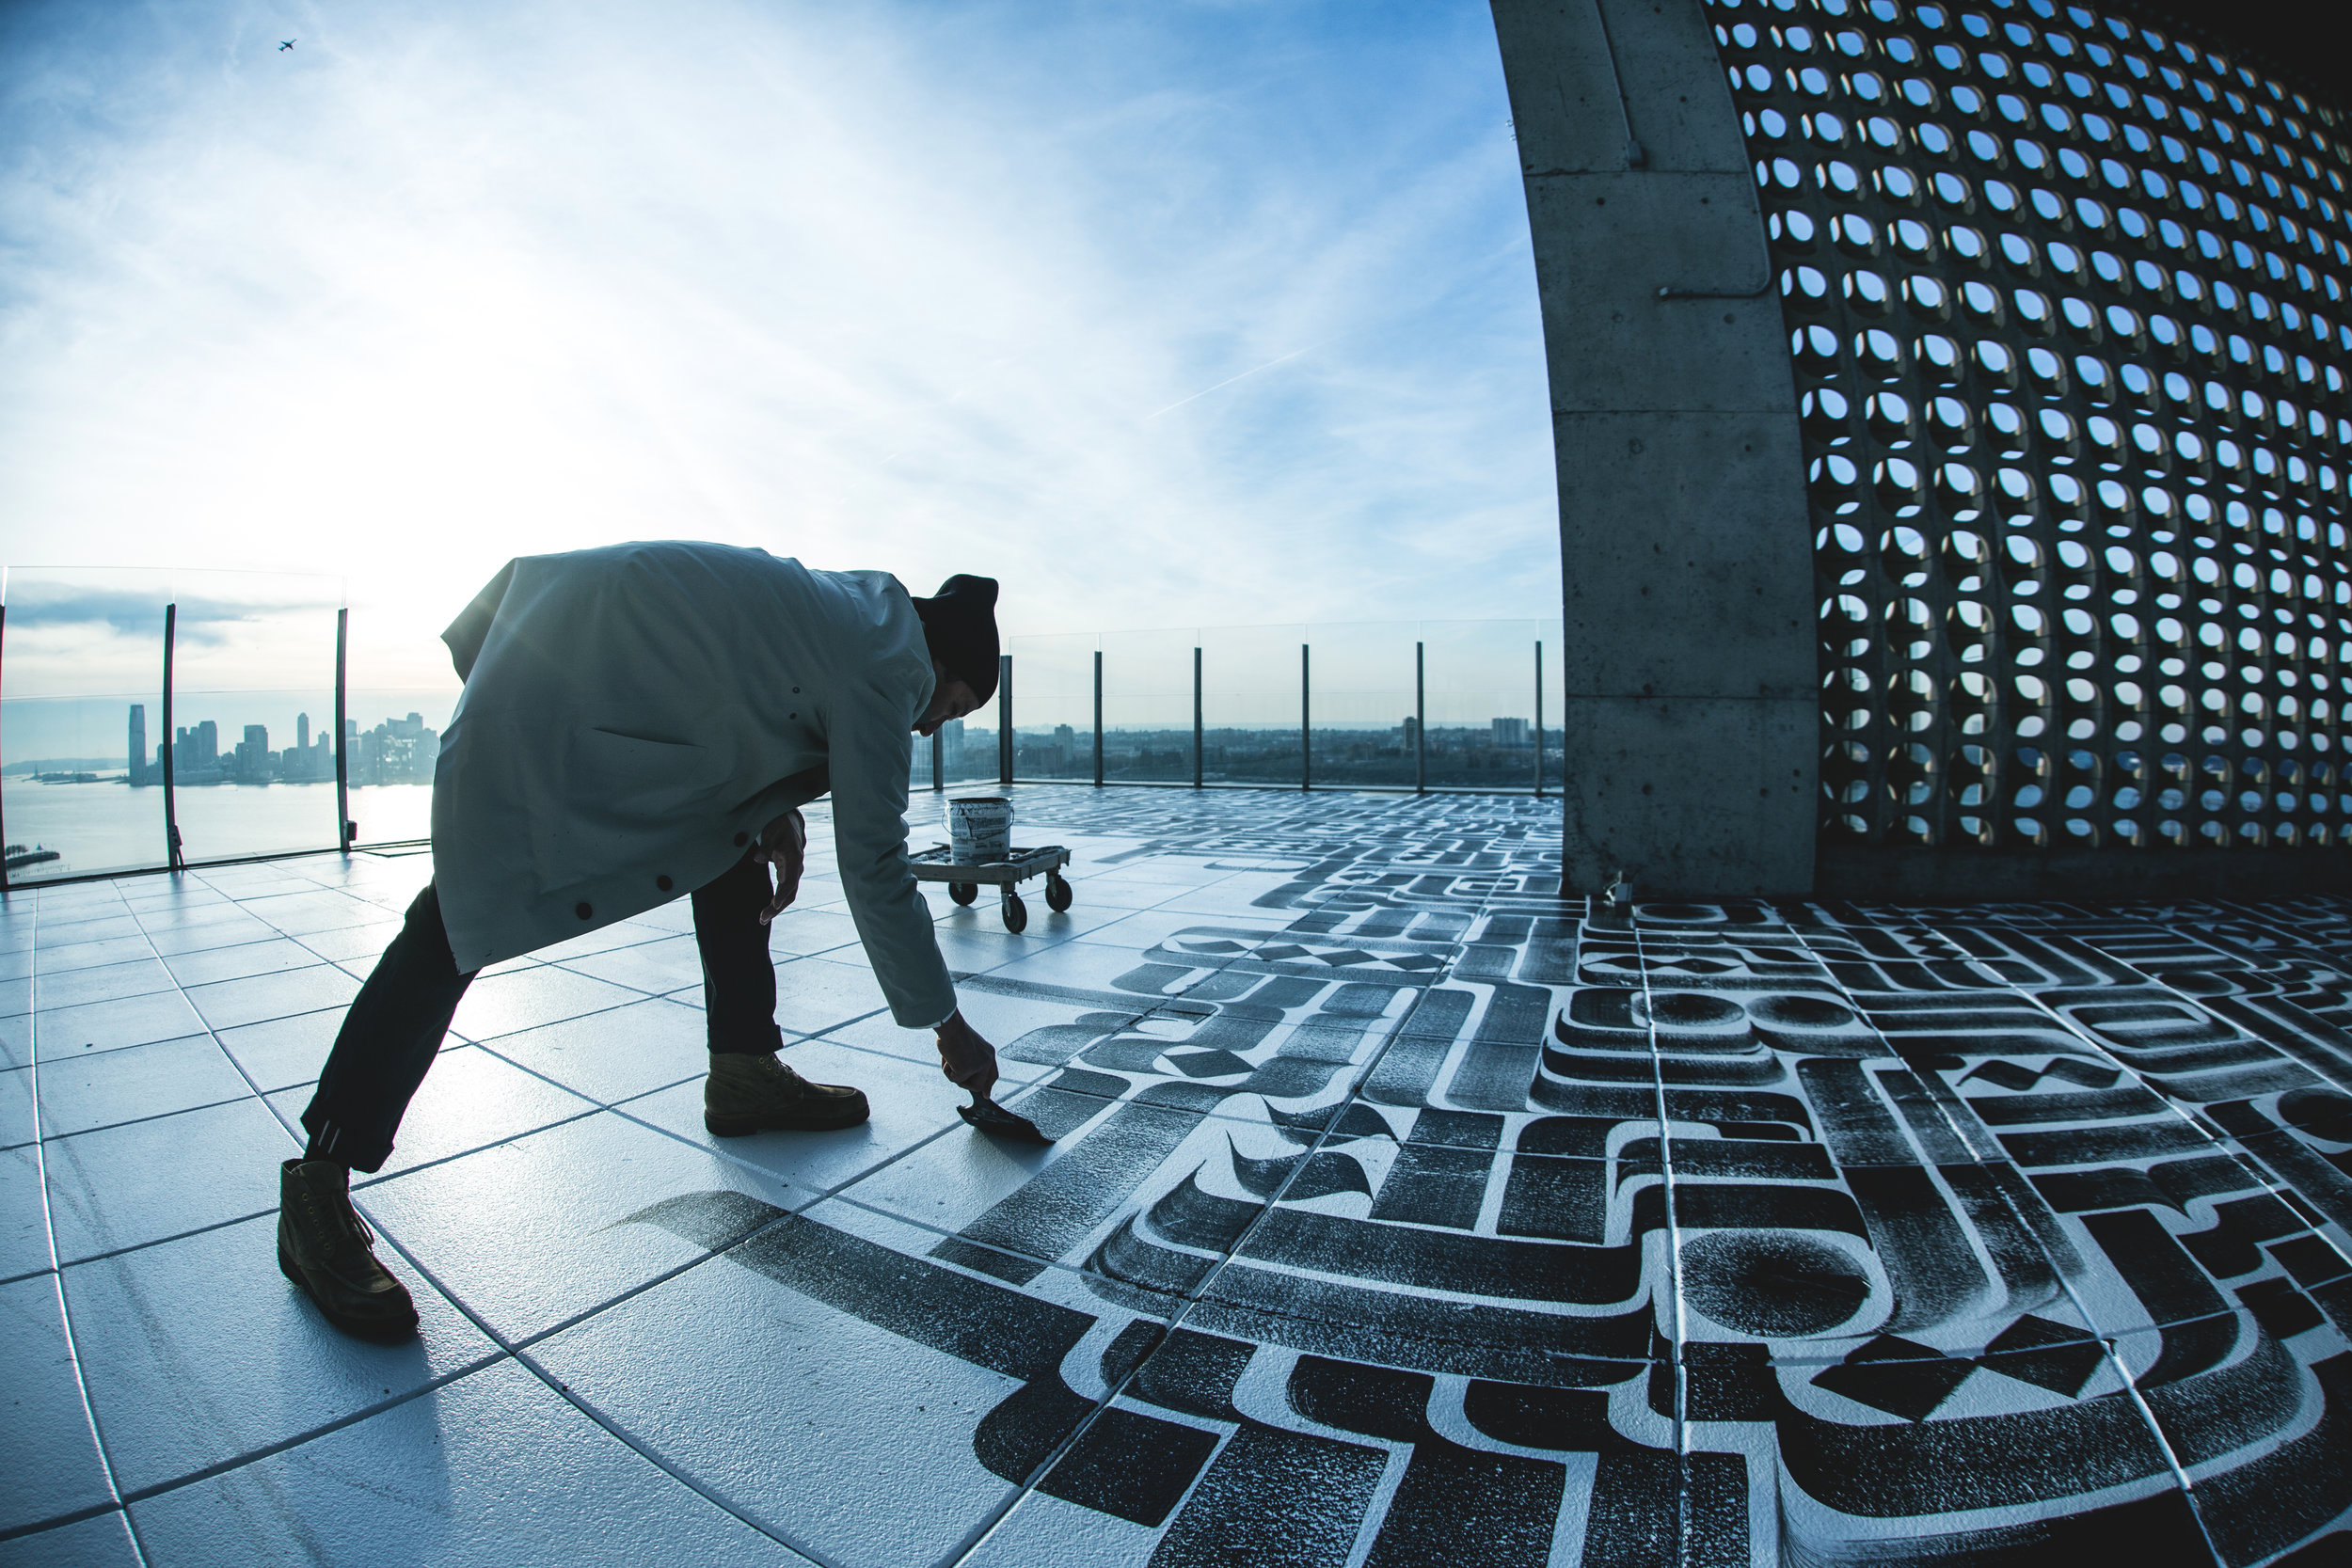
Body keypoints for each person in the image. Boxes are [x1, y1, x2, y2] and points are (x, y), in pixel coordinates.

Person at [276, 542, 1008, 1340]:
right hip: (552, 689)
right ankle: (319, 1179)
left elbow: (740, 685)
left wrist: (771, 809)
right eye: (955, 705)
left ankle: (744, 1071)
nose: (935, 725)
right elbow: (875, 861)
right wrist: (948, 1025)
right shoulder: (891, 661)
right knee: (456, 924)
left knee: (729, 851)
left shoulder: (863, 614)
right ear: (941, 662)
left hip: (566, 648)